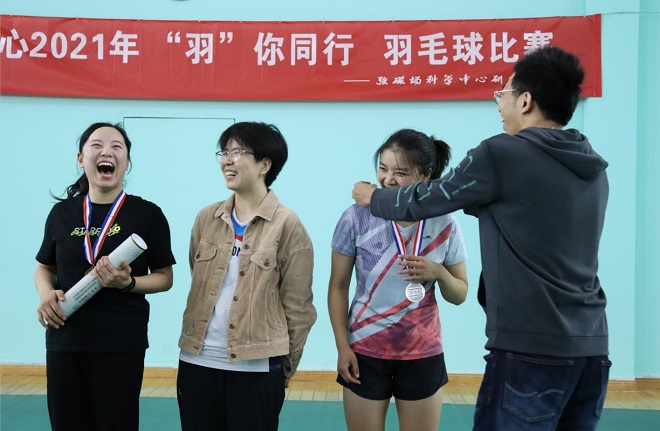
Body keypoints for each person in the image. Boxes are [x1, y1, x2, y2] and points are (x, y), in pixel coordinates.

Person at [352, 45, 610, 430]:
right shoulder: (591, 165)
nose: (500, 104)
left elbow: (431, 198)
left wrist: (374, 197)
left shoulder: (502, 153)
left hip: (529, 347)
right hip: (593, 346)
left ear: (525, 100)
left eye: (503, 94)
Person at [34, 122, 176, 431]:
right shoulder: (61, 214)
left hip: (120, 342)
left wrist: (129, 283)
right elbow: (45, 268)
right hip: (65, 338)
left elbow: (165, 277)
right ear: (80, 159)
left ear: (127, 161)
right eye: (96, 145)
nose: (106, 152)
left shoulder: (148, 214)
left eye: (116, 147)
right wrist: (46, 294)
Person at [176, 121, 317, 431]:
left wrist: (283, 367)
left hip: (257, 366)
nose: (227, 160)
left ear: (265, 164)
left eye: (237, 152)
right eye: (224, 153)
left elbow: (298, 308)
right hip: (197, 360)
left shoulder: (288, 224)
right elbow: (197, 278)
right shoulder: (206, 218)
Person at [329, 129, 468, 431]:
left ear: (425, 175)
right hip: (364, 350)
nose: (388, 179)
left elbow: (460, 294)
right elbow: (337, 287)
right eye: (383, 168)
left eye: (400, 172)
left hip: (423, 352)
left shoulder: (445, 221)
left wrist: (439, 273)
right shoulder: (356, 217)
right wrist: (342, 346)